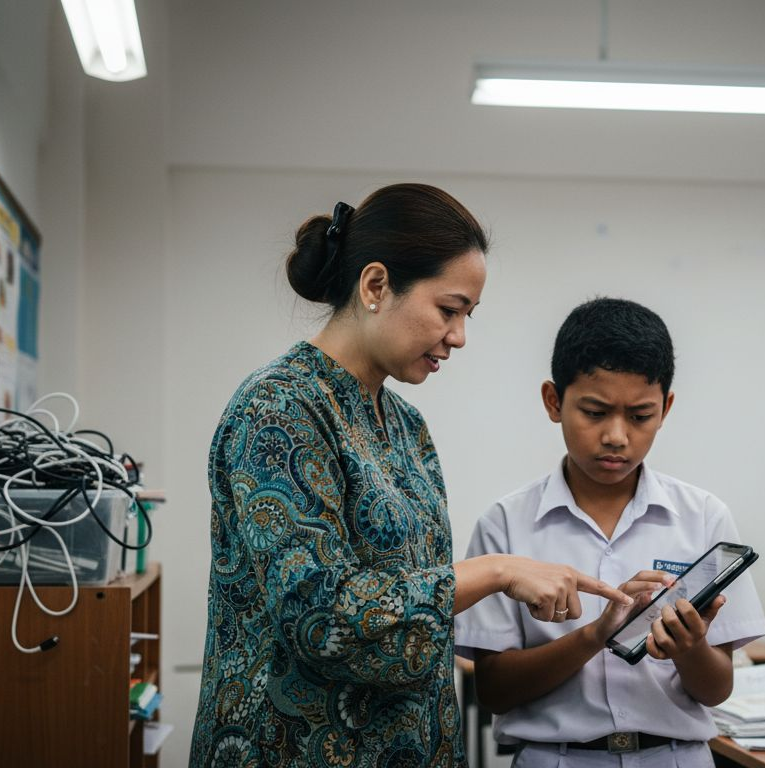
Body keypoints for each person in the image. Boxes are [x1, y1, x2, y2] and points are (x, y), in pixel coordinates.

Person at [190, 184, 631, 767]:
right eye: (448, 310)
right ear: (376, 286)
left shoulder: (404, 425)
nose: (459, 336)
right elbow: (321, 615)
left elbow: (412, 597)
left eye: (467, 315)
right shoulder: (278, 409)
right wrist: (496, 570)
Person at [455, 297, 765, 768]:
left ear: (665, 408)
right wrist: (596, 635)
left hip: (675, 757)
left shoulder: (703, 516)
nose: (617, 437)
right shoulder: (506, 523)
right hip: (555, 759)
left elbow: (716, 689)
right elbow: (496, 691)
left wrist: (690, 649)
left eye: (640, 416)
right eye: (596, 412)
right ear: (553, 401)